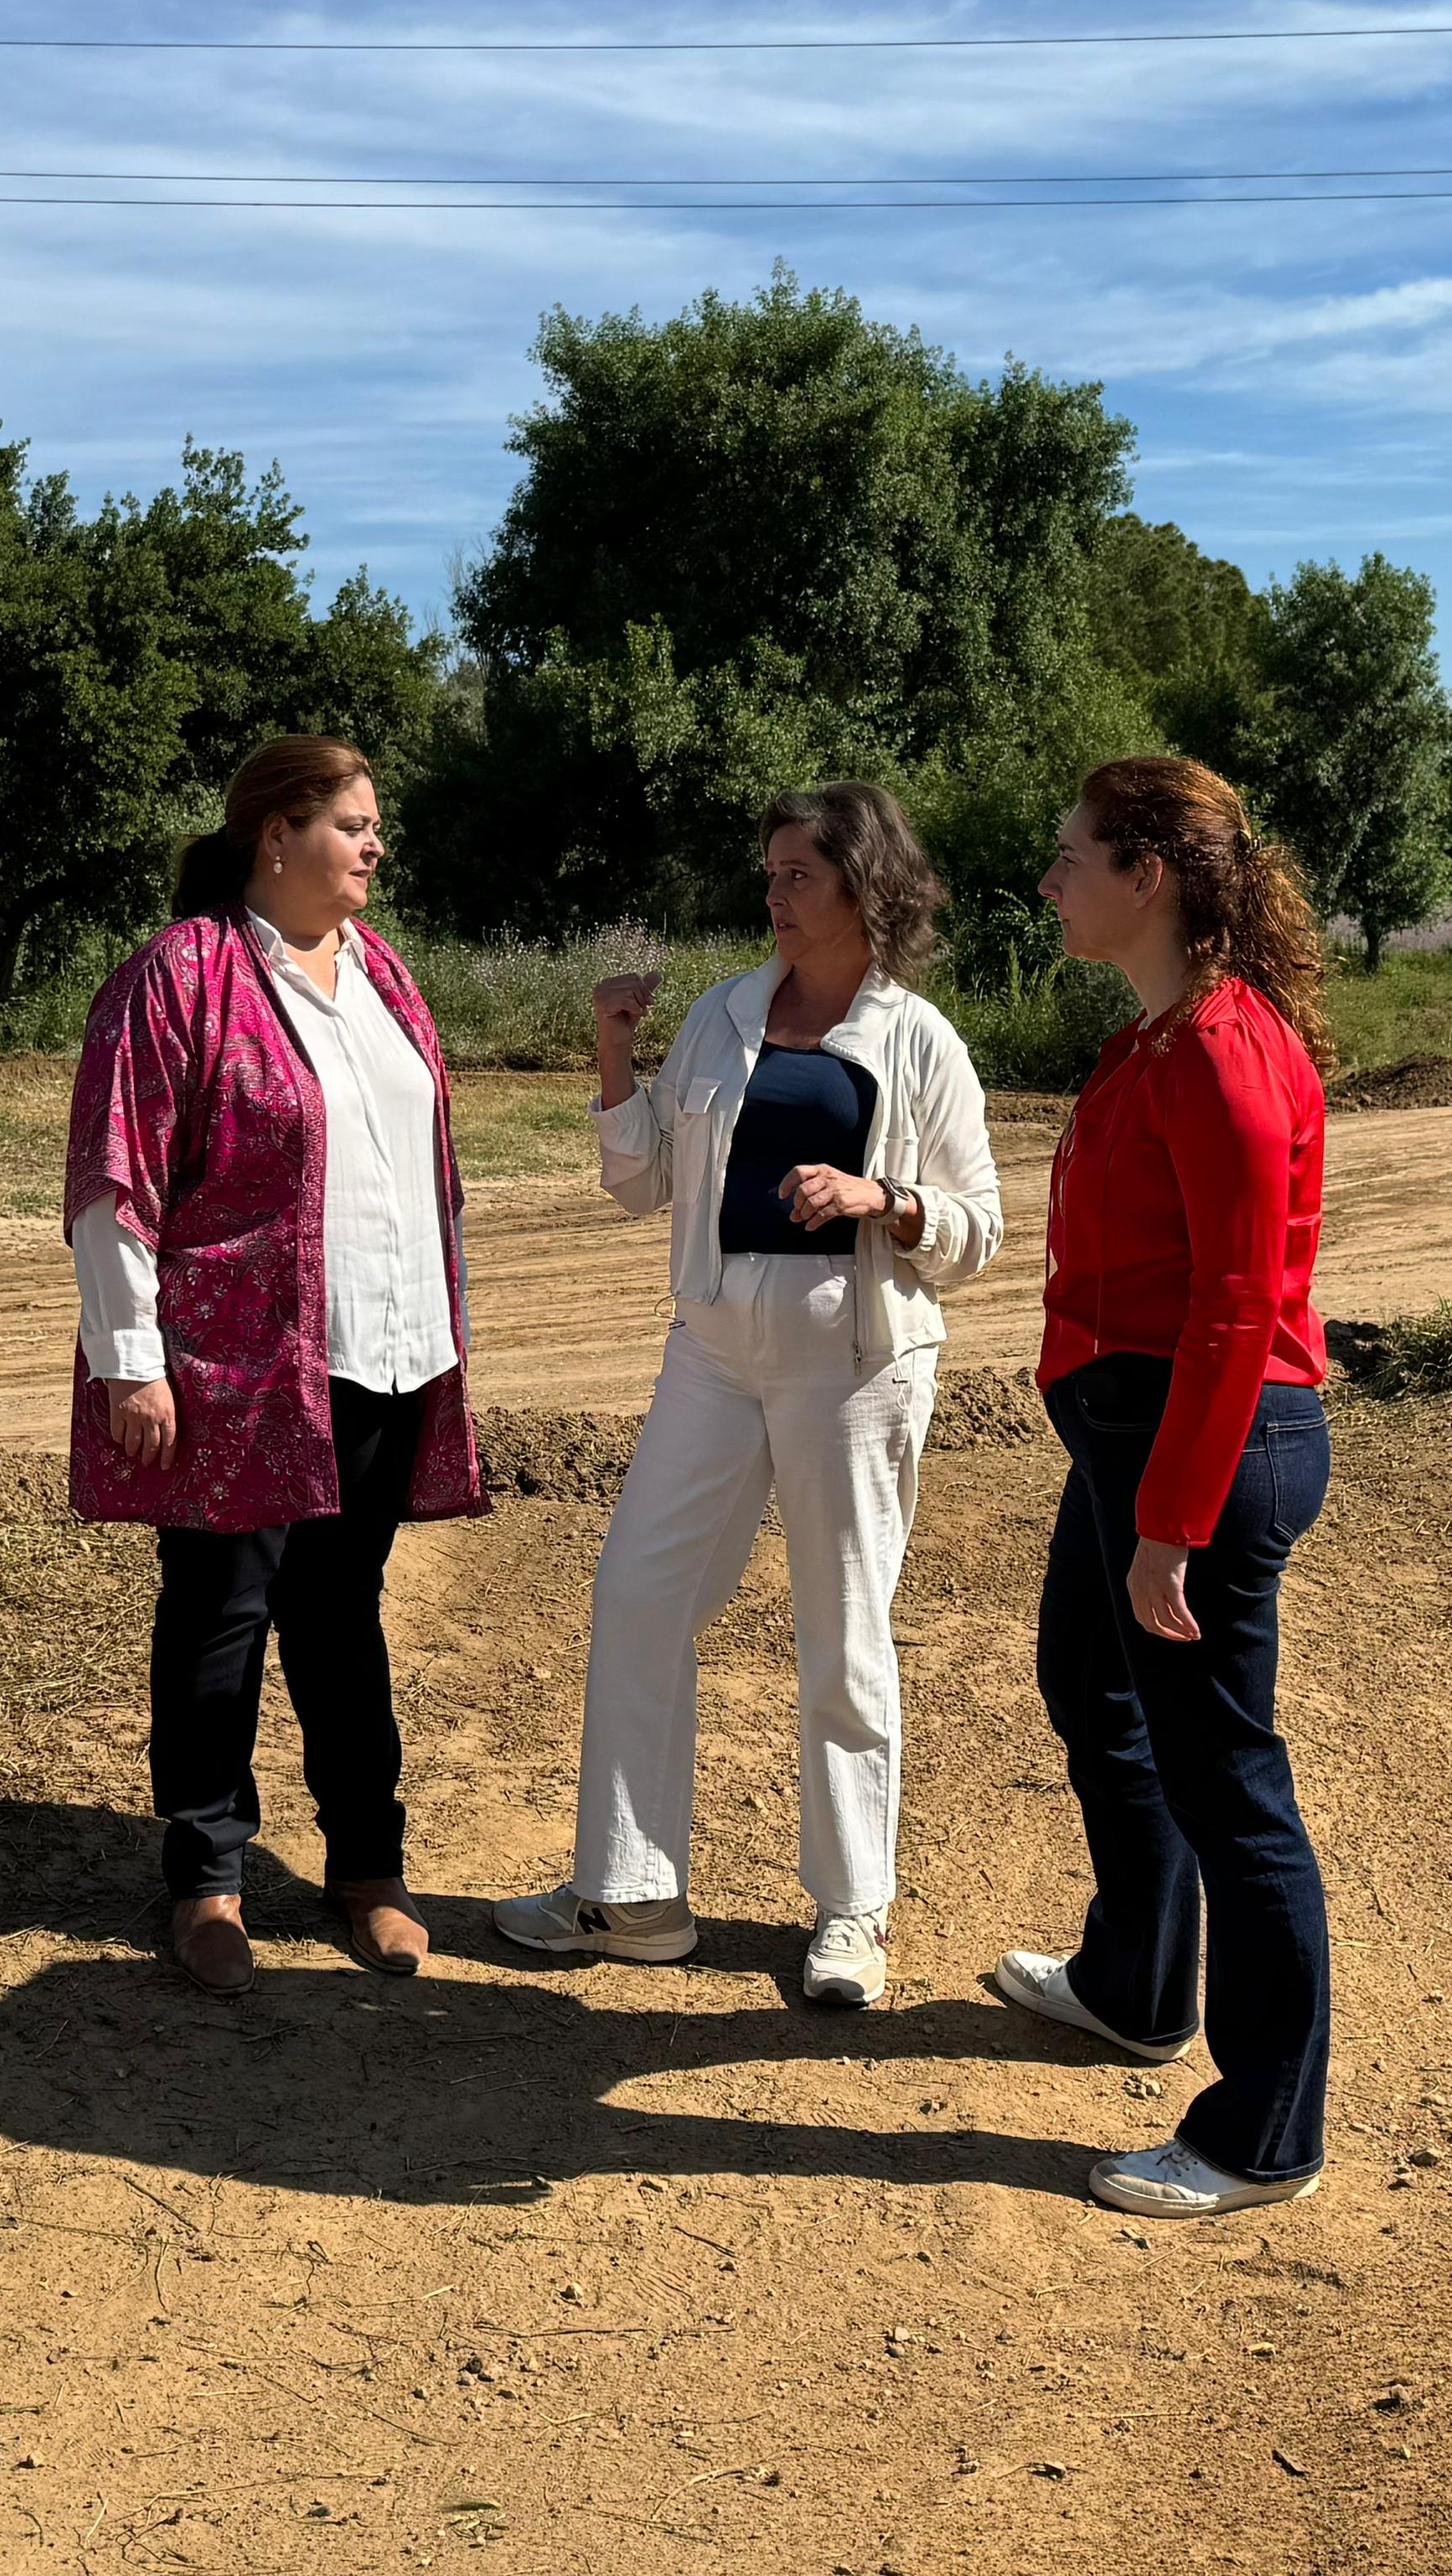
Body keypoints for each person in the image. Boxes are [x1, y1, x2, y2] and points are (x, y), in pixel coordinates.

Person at [492, 784, 1005, 2009]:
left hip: (858, 1365)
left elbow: (981, 1229)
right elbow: (643, 1184)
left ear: (863, 888)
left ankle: (851, 1915)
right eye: (768, 875)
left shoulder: (917, 1040)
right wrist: (615, 1057)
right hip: (714, 1354)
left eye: (797, 878)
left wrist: (886, 1199)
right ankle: (630, 1895)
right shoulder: (725, 1017)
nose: (772, 898)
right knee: (639, 1591)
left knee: (842, 1629)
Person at [63, 735, 484, 1995]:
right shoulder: (179, 975)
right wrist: (129, 1361)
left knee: (343, 1614)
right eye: (353, 823)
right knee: (218, 1618)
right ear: (276, 835)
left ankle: (368, 1868)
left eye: (373, 824)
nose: (374, 844)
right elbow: (111, 1181)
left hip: (381, 1355)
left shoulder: (386, 977)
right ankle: (207, 1879)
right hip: (233, 1371)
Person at [989, 756, 1337, 2218]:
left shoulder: (1219, 1053)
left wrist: (1173, 1528)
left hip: (1207, 1447)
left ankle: (1265, 2130)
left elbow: (1237, 1302)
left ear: (1149, 875)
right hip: (1134, 1438)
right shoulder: (1161, 1036)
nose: (1053, 879)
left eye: (1073, 857)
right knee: (1090, 1679)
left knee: (1229, 1784)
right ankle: (1137, 1981)